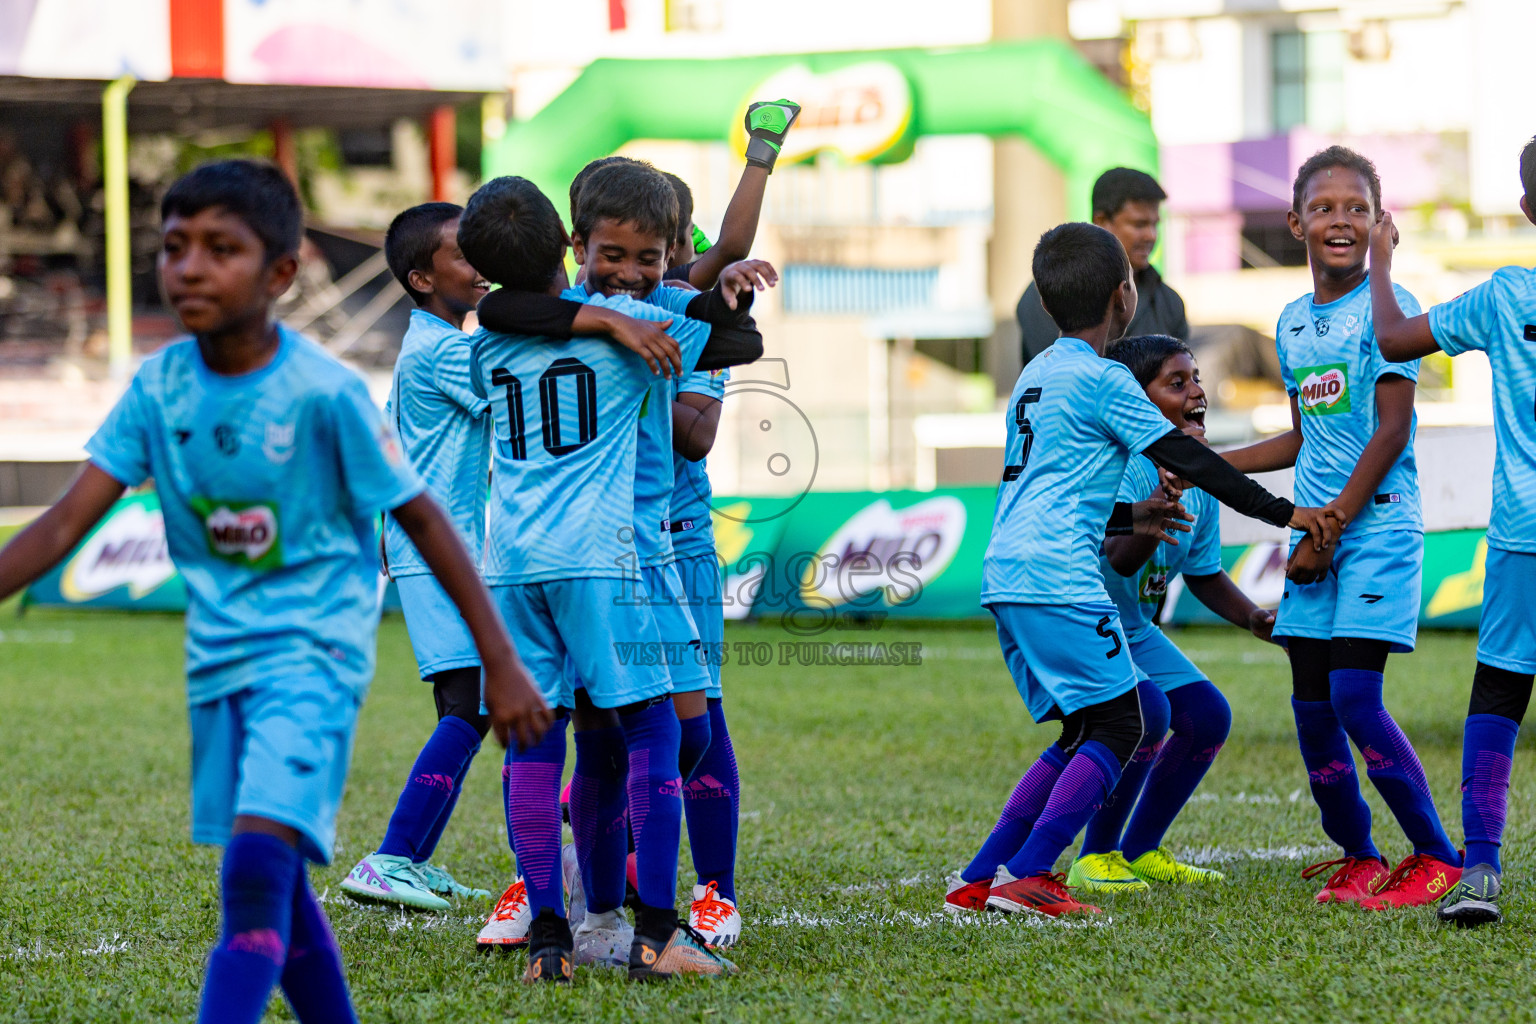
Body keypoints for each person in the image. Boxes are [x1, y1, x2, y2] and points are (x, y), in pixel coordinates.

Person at [0, 160, 550, 1023]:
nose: (189, 267)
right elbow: (64, 525)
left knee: (252, 878)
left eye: (221, 248)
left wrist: (503, 661)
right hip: (219, 667)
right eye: (175, 247)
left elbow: (428, 521)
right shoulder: (158, 387)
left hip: (313, 659)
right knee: (281, 891)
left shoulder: (323, 393)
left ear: (282, 272)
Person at [944, 222, 1335, 917]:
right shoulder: (1104, 380)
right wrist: (1288, 513)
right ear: (1125, 296)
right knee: (1124, 725)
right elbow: (1191, 460)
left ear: (1045, 297)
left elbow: (1051, 491)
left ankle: (981, 877)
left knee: (1089, 727)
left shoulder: (1036, 373)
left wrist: (1131, 521)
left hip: (1009, 566)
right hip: (1060, 575)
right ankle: (1031, 873)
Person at [459, 174, 759, 982]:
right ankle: (660, 936)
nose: (629, 272)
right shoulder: (642, 324)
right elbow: (740, 348)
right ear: (571, 246)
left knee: (545, 746)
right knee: (658, 736)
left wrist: (607, 305)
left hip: (515, 565)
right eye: (613, 256)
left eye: (646, 258)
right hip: (612, 561)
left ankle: (556, 939)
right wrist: (719, 298)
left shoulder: (485, 339)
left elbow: (498, 311)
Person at [1222, 146, 1461, 909]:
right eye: (1324, 207)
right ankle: (1357, 854)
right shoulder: (1291, 324)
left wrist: (1331, 523)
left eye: (1357, 207)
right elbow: (1302, 438)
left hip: (1375, 529)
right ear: (1295, 223)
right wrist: (1209, 460)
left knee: (1357, 698)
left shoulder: (1390, 308)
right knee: (1312, 708)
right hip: (1315, 539)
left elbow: (1392, 432)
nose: (1341, 220)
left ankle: (1437, 856)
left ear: (1379, 222)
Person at [1367, 135, 1536, 926]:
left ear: (1528, 208)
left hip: (1522, 535)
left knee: (1499, 690)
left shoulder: (1507, 296)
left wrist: (1381, 262)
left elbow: (1394, 340)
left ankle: (1481, 872)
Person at [1065, 334, 1276, 893]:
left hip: (1130, 627)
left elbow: (1203, 573)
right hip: (1084, 621)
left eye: (1197, 379)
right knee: (1146, 713)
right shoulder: (1128, 466)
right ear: (1137, 402)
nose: (1196, 392)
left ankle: (1140, 850)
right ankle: (1096, 856)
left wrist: (1253, 617)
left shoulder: (1199, 474)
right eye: (1176, 383)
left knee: (1207, 716)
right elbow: (1118, 555)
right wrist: (1151, 519)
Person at [1017, 167, 1188, 367]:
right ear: (1101, 222)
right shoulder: (1052, 289)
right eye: (1139, 225)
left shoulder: (1169, 303)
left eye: (1155, 224)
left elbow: (1180, 381)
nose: (1151, 235)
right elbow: (1063, 375)